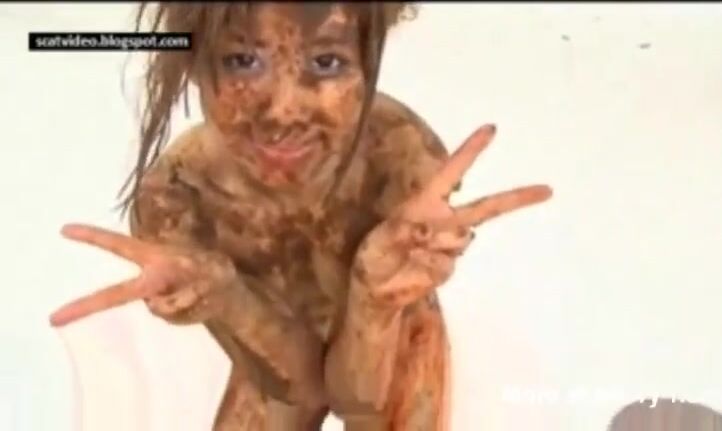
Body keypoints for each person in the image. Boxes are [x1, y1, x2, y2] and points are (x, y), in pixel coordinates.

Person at [50, 3, 552, 429]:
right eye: (242, 61)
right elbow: (296, 391)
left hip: (390, 343)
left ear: (366, 64)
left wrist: (375, 303)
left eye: (327, 62)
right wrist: (232, 300)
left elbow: (362, 402)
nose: (283, 112)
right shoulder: (178, 200)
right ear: (195, 65)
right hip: (274, 359)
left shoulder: (398, 155)